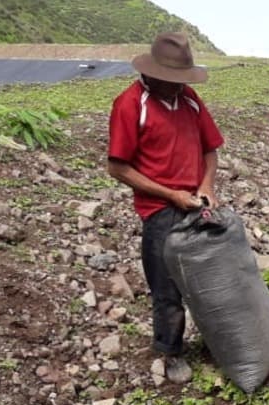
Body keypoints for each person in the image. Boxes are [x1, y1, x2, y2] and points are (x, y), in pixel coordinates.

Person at [107, 32, 223, 386]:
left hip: (195, 203)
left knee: (210, 277)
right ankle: (170, 352)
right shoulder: (130, 104)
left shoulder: (189, 99)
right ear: (153, 73)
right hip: (159, 212)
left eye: (181, 81)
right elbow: (118, 168)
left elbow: (210, 150)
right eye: (172, 81)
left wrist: (205, 186)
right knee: (166, 286)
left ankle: (218, 340)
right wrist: (170, 195)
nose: (177, 87)